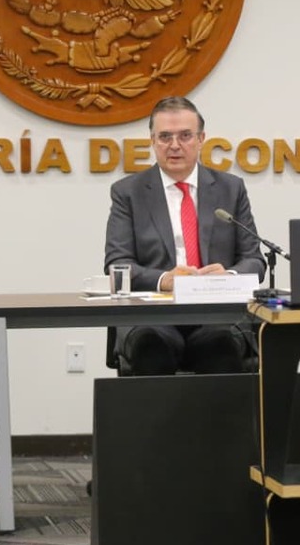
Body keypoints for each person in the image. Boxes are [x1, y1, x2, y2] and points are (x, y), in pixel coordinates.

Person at [104, 96, 265, 374]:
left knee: (220, 348)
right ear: (152, 141)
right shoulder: (128, 192)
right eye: (165, 136)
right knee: (151, 349)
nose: (175, 145)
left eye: (185, 136)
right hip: (153, 317)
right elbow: (117, 264)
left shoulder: (230, 188)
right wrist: (165, 279)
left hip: (217, 316)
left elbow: (254, 259)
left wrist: (229, 276)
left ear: (201, 139)